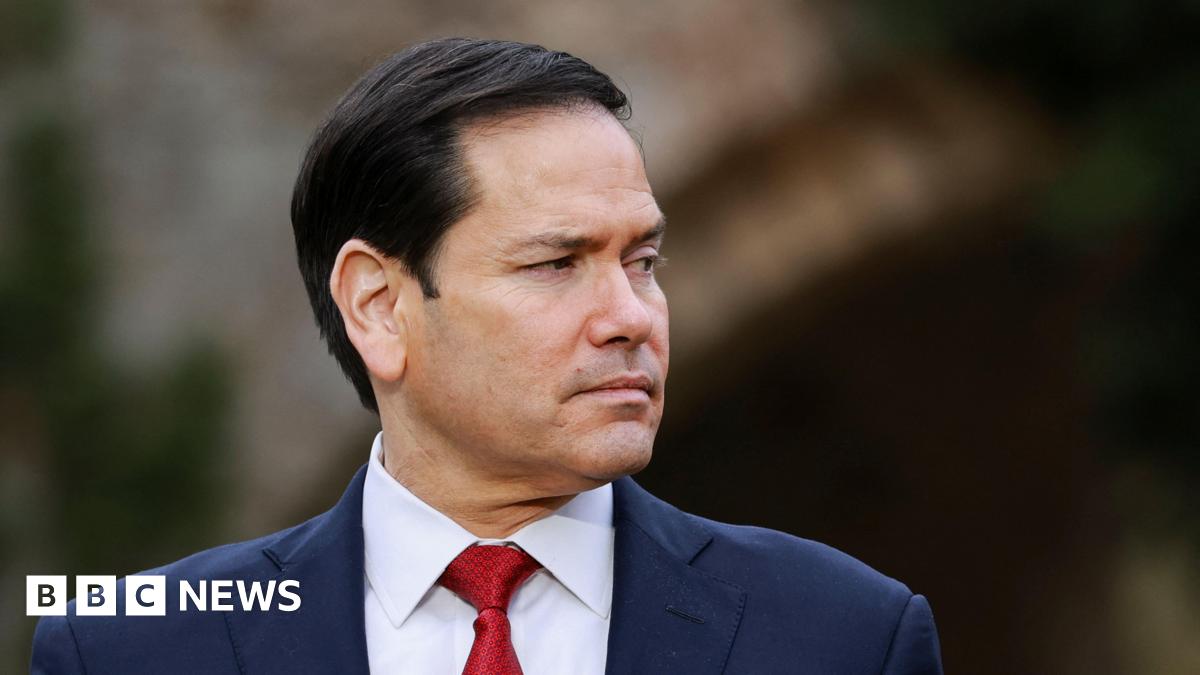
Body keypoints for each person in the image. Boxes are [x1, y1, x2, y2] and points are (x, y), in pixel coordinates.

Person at [31, 38, 943, 674]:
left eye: (644, 261)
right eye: (556, 264)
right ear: (380, 305)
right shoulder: (130, 647)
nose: (631, 315)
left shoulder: (842, 634)